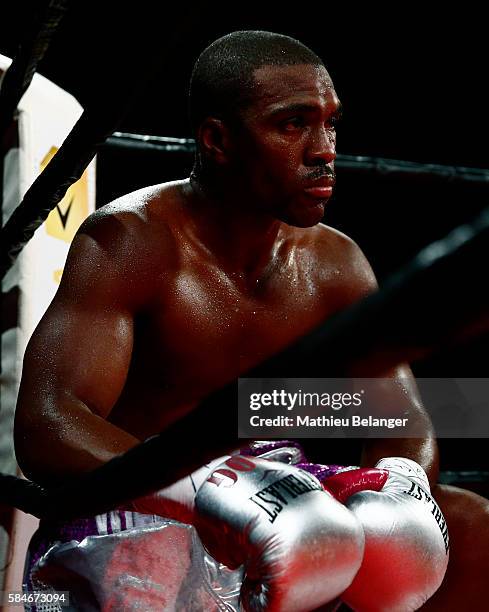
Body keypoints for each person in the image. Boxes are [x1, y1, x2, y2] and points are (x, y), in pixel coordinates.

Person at [14, 31, 488, 610]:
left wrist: (400, 489)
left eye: (331, 123)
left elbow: (401, 419)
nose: (324, 149)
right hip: (142, 514)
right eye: (293, 125)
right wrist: (208, 487)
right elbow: (48, 423)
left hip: (286, 508)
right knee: (152, 566)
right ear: (217, 140)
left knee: (469, 527)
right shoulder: (132, 243)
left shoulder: (335, 264)